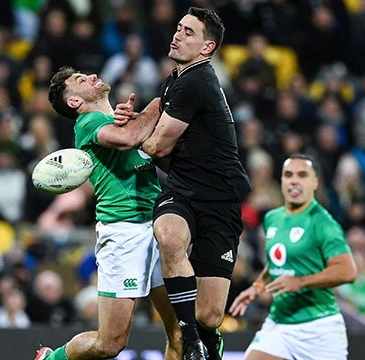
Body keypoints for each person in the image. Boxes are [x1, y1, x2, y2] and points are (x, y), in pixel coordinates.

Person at [114, 7, 251, 360]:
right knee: (170, 237)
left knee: (210, 315)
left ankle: (203, 335)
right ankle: (189, 338)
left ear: (207, 48)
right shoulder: (176, 78)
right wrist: (127, 120)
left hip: (220, 200)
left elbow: (156, 145)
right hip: (182, 190)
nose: (177, 35)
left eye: (189, 32)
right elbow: (150, 123)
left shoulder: (196, 81)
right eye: (178, 28)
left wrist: (134, 135)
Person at [36, 65, 181, 360]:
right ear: (75, 102)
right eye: (80, 80)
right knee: (111, 344)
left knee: (179, 329)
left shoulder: (116, 121)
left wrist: (134, 118)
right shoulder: (87, 124)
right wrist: (161, 100)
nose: (90, 76)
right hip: (123, 232)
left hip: (157, 226)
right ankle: (53, 358)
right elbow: (131, 139)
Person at [229, 154, 357, 360]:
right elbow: (277, 262)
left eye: (302, 175)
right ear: (281, 181)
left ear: (315, 182)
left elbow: (347, 271)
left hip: (319, 328)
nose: (294, 180)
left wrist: (302, 281)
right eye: (288, 175)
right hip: (279, 323)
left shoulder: (323, 223)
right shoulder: (272, 218)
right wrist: (259, 286)